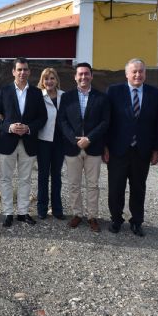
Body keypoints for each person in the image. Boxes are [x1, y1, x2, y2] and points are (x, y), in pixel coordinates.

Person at [104, 58, 158, 236]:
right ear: (127, 74)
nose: (138, 75)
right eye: (134, 71)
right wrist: (105, 146)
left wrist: (156, 150)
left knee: (138, 188)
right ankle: (116, 219)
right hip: (118, 150)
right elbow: (107, 121)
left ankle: (136, 222)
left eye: (141, 71)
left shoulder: (155, 93)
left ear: (145, 73)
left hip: (142, 151)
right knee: (116, 187)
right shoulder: (114, 91)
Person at [0, 57, 47, 227]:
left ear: (29, 72)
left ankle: (23, 213)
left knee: (25, 179)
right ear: (13, 71)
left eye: (25, 69)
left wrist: (29, 128)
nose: (22, 72)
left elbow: (42, 117)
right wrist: (8, 127)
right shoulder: (3, 91)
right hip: (7, 142)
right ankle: (8, 213)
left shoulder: (37, 93)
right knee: (6, 179)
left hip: (29, 142)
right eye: (19, 69)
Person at [58, 62, 110, 232]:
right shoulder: (67, 97)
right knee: (74, 184)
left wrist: (90, 138)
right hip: (72, 147)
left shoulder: (101, 98)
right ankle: (77, 214)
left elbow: (105, 122)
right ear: (75, 77)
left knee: (93, 184)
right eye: (80, 74)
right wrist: (75, 140)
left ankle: (92, 216)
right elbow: (62, 121)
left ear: (91, 76)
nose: (83, 77)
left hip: (93, 148)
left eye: (86, 74)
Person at [36, 68, 65, 220]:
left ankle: (57, 208)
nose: (49, 81)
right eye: (46, 79)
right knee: (43, 176)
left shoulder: (63, 96)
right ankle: (41, 208)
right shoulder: (38, 96)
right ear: (42, 81)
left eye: (52, 78)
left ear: (56, 80)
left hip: (59, 142)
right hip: (43, 141)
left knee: (56, 176)